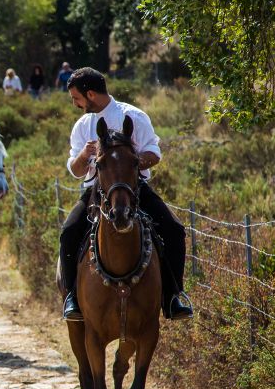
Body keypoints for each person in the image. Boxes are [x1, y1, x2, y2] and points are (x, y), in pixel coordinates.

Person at [59, 67, 193, 321]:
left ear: (90, 94)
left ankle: (174, 297)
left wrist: (127, 164)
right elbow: (76, 171)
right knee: (69, 233)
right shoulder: (81, 126)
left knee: (174, 230)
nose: (75, 104)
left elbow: (154, 154)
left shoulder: (133, 116)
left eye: (76, 98)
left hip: (134, 188)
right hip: (94, 191)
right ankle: (72, 298)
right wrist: (86, 155)